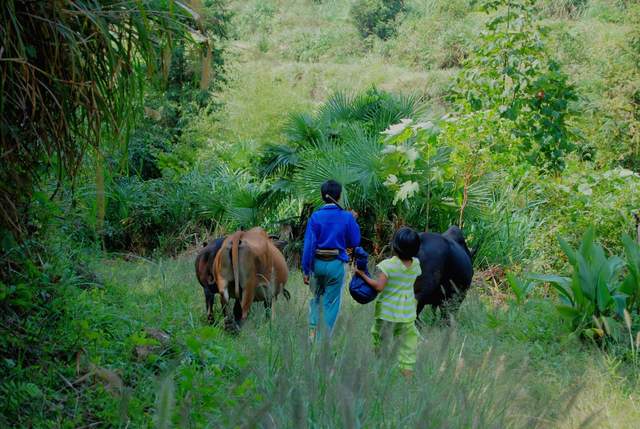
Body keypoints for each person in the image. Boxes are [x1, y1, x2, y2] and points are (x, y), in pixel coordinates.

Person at [354, 227, 422, 377]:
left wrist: (362, 275)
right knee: (407, 343)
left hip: (387, 312)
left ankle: (380, 366)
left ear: (395, 245)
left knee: (380, 337)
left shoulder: (388, 265)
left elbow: (379, 287)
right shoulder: (416, 264)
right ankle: (407, 373)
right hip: (407, 312)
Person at [302, 180, 361, 341]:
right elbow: (354, 241)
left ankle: (312, 334)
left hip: (317, 265)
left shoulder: (315, 217)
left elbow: (308, 245)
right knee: (330, 303)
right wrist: (353, 221)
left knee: (316, 299)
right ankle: (322, 342)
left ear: (323, 197)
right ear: (339, 196)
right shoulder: (346, 217)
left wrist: (306, 270)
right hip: (336, 265)